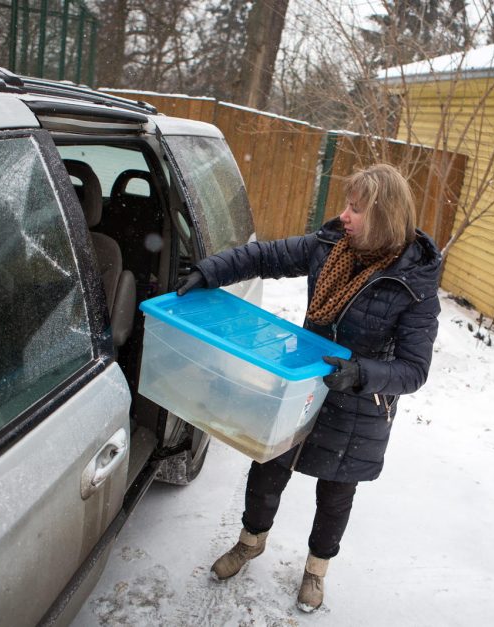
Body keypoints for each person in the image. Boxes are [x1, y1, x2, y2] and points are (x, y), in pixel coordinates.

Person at [175, 163, 441, 612]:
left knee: (335, 494)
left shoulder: (414, 285)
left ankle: (317, 570)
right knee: (268, 467)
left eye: (356, 209)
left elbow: (414, 369)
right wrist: (208, 272)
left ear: (384, 216)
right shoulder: (330, 246)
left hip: (360, 404)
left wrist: (360, 373)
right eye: (347, 205)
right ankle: (250, 541)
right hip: (301, 383)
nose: (344, 216)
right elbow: (263, 257)